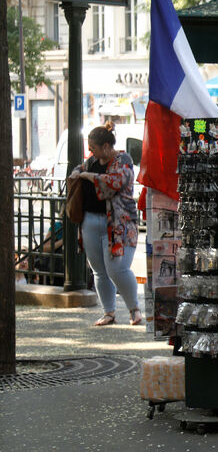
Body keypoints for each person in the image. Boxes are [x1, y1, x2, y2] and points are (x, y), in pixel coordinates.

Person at [71, 122, 142, 326]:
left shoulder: (124, 159)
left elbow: (116, 181)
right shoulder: (91, 161)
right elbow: (77, 171)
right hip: (91, 220)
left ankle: (134, 309)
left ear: (105, 146)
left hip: (120, 224)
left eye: (93, 146)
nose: (90, 151)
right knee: (99, 271)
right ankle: (109, 312)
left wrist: (88, 176)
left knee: (117, 269)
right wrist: (82, 174)